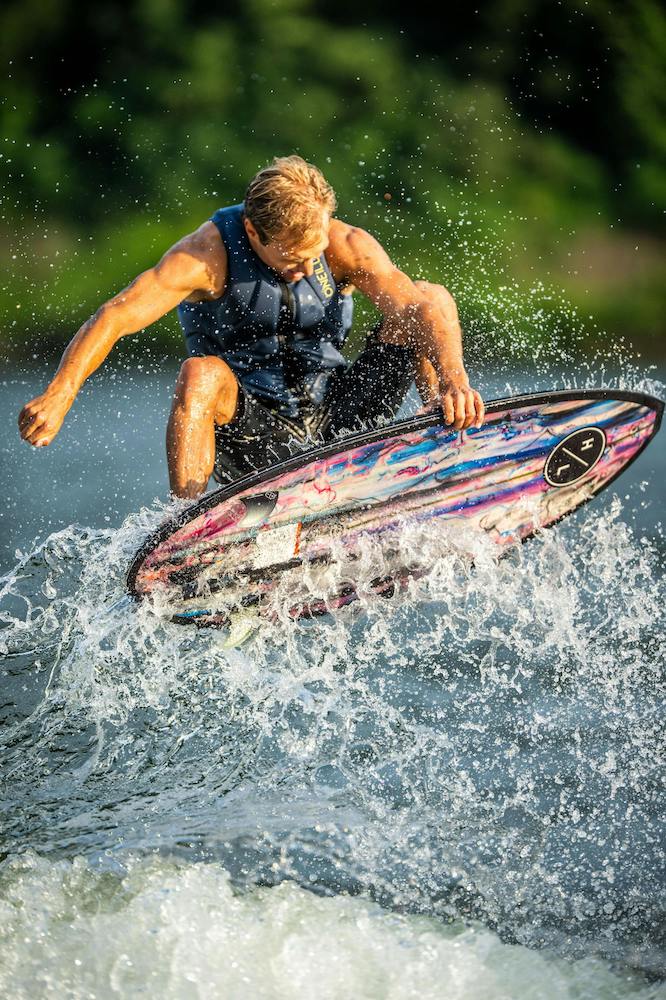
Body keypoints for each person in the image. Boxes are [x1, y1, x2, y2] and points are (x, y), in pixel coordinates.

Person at [19, 155, 485, 499]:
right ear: (254, 232)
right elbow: (116, 315)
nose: (307, 268)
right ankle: (193, 528)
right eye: (291, 258)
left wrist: (456, 381)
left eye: (314, 252)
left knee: (431, 298)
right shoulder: (203, 257)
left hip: (342, 411)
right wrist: (60, 393)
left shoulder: (347, 246)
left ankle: (443, 448)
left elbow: (422, 310)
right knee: (200, 374)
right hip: (256, 432)